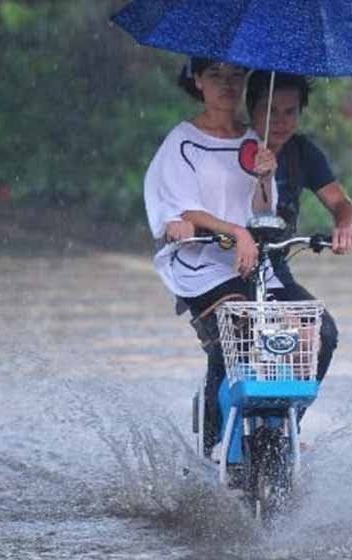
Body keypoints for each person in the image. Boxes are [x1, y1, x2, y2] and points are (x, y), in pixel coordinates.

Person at [143, 57, 280, 458]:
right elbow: (184, 210)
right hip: (198, 265)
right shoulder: (182, 141)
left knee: (289, 339)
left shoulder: (255, 140)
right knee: (233, 337)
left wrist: (266, 177)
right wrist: (235, 231)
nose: (227, 85)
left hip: (250, 265)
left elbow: (263, 212)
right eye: (216, 76)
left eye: (236, 75)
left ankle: (273, 436)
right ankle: (214, 443)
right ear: (198, 81)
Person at [247, 72, 352, 385]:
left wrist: (344, 226)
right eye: (269, 111)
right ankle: (215, 429)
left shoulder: (303, 152)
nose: (280, 121)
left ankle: (289, 425)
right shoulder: (232, 148)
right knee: (230, 344)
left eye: (290, 112)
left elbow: (340, 202)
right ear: (251, 109)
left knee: (323, 334)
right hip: (226, 264)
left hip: (274, 267)